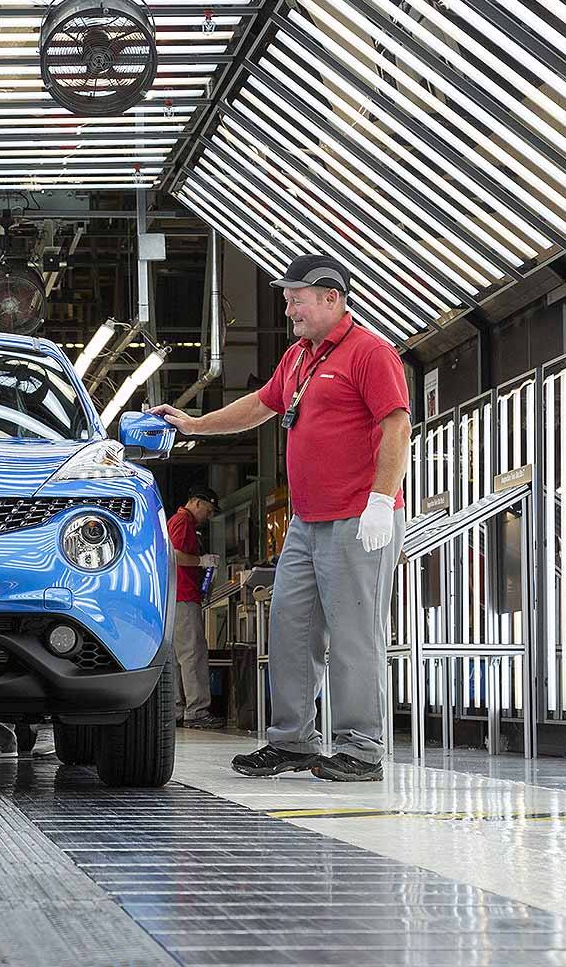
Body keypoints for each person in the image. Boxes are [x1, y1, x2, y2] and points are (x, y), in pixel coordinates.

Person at [150, 254, 409, 783]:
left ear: (332, 298)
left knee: (355, 635)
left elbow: (397, 424)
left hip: (358, 519)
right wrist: (196, 423)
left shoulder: (370, 353)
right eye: (287, 296)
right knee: (290, 632)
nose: (287, 305)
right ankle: (292, 741)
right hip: (305, 523)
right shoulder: (298, 358)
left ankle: (361, 748)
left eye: (297, 296)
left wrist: (381, 500)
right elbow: (260, 406)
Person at [167, 485, 226, 729]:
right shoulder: (183, 521)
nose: (208, 517)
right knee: (193, 654)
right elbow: (175, 554)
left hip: (175, 596)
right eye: (209, 511)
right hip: (183, 595)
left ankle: (178, 709)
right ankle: (197, 711)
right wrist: (201, 561)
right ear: (197, 503)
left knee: (178, 657)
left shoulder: (177, 520)